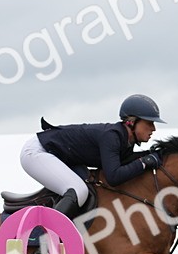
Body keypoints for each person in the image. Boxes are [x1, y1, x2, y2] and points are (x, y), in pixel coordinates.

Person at [19, 93, 166, 222]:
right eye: (149, 122)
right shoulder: (112, 136)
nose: (153, 128)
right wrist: (145, 162)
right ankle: (45, 240)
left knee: (84, 188)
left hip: (56, 155)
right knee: (78, 190)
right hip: (37, 152)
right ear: (131, 122)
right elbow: (114, 176)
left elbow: (126, 161)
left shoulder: (124, 139)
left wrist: (151, 154)